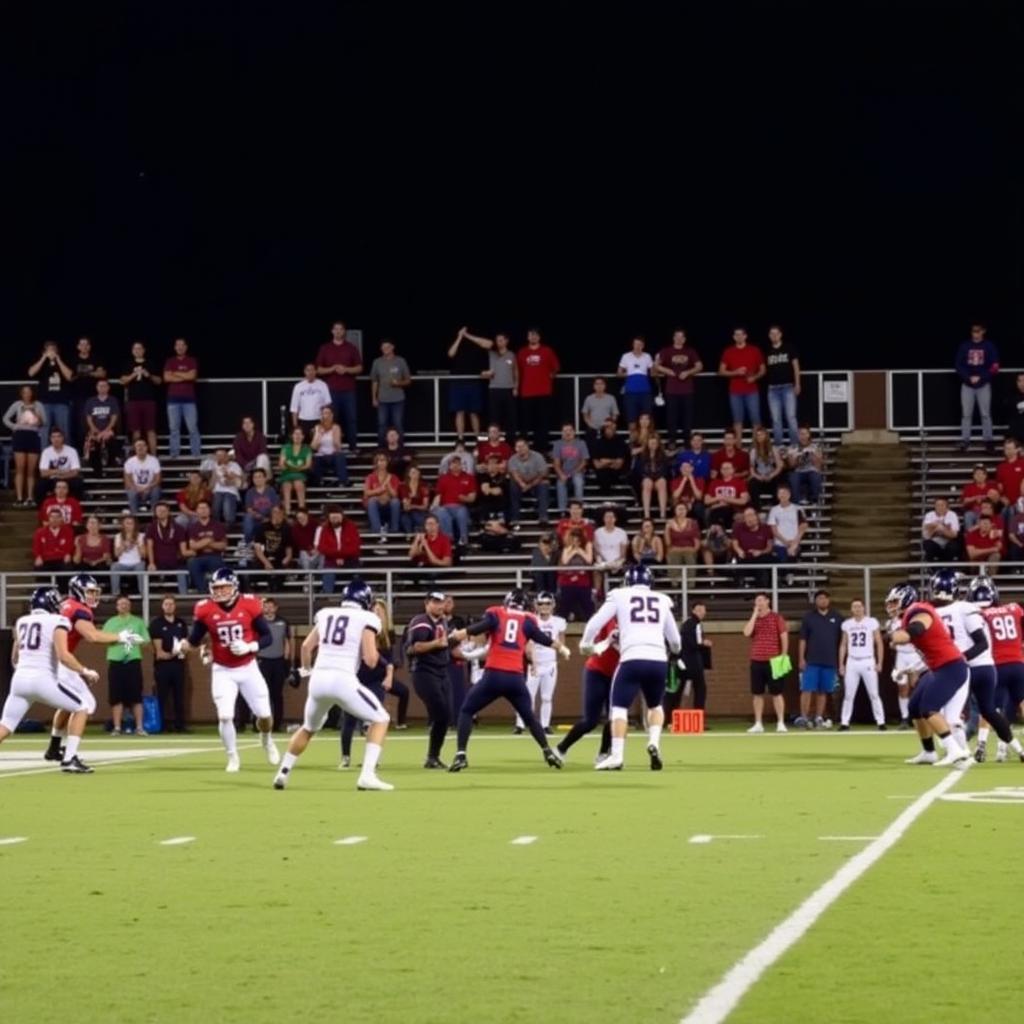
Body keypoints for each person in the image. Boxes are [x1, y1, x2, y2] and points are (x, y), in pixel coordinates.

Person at [448, 589, 568, 772]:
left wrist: (459, 634)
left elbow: (480, 627)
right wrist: (561, 648)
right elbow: (543, 638)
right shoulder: (528, 620)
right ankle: (547, 751)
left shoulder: (497, 613)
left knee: (466, 710)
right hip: (515, 678)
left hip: (493, 676)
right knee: (529, 717)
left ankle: (461, 754)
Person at [579, 564, 681, 771]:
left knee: (618, 708)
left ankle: (617, 755)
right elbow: (676, 641)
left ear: (627, 581)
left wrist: (586, 644)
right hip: (657, 659)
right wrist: (672, 653)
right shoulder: (662, 600)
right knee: (656, 706)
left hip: (632, 658)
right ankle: (654, 742)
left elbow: (594, 623)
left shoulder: (619, 595)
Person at [178, 568, 280, 772]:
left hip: (248, 667)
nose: (220, 591)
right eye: (217, 587)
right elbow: (195, 639)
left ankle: (266, 739)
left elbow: (267, 637)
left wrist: (250, 646)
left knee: (265, 716)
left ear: (234, 586)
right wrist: (186, 646)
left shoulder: (250, 603)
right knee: (225, 715)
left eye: (224, 587)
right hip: (223, 670)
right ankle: (232, 757)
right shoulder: (205, 609)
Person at [43, 573, 144, 763]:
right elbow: (92, 636)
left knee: (69, 703)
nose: (92, 596)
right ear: (77, 591)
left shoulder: (65, 605)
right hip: (60, 661)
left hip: (52, 660)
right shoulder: (79, 610)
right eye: (89, 591)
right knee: (85, 704)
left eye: (93, 592)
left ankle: (54, 748)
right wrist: (120, 637)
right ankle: (70, 756)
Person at [0, 587, 101, 774]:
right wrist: (85, 670)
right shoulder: (58, 620)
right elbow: (63, 656)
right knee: (82, 707)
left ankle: (61, 752)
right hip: (42, 680)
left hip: (19, 680)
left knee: (5, 725)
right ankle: (70, 758)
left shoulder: (22, 621)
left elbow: (15, 657)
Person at [929, 570, 1020, 764]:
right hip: (986, 666)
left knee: (949, 712)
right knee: (988, 710)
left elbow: (981, 642)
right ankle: (1018, 749)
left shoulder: (943, 611)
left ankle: (960, 751)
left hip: (966, 667)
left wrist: (961, 657)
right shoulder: (963, 608)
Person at [885, 582, 970, 767]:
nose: (891, 605)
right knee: (915, 707)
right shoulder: (910, 615)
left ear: (906, 599)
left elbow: (917, 629)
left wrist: (894, 636)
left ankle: (954, 750)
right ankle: (929, 752)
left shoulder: (918, 610)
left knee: (929, 708)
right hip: (938, 668)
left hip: (951, 666)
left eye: (894, 601)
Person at [339, 598, 411, 766]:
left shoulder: (388, 633)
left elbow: (389, 659)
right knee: (349, 718)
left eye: (380, 611)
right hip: (357, 678)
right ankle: (345, 757)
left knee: (375, 716)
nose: (376, 614)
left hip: (377, 679)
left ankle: (371, 758)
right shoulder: (361, 629)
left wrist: (389, 675)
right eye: (374, 611)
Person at [973, 578, 1024, 762]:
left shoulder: (980, 615)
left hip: (996, 665)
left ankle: (981, 745)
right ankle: (1002, 748)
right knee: (1021, 702)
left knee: (990, 708)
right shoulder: (1015, 608)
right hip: (1018, 663)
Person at [407, 591, 453, 768]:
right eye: (435, 602)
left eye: (441, 602)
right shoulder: (421, 622)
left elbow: (445, 644)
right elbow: (414, 647)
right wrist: (436, 643)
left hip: (441, 671)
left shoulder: (441, 621)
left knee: (445, 715)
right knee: (440, 714)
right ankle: (432, 756)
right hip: (424, 671)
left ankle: (433, 756)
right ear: (427, 603)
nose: (439, 606)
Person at [513, 592, 566, 735]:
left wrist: (559, 657)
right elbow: (527, 643)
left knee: (547, 697)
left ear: (553, 605)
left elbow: (561, 642)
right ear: (536, 605)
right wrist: (531, 660)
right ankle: (520, 724)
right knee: (527, 695)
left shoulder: (559, 622)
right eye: (541, 603)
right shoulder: (531, 619)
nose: (544, 606)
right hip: (534, 662)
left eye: (548, 603)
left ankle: (545, 725)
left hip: (550, 663)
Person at [459, 329, 519, 440]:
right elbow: (482, 343)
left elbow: (515, 371)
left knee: (511, 417)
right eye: (497, 340)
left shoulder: (511, 355)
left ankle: (511, 442)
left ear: (506, 341)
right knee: (495, 418)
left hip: (509, 389)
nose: (499, 342)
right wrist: (467, 335)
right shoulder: (492, 353)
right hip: (494, 389)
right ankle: (494, 441)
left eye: (501, 340)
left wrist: (516, 386)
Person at [104, 594, 151, 735]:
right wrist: (118, 638)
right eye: (121, 604)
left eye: (126, 603)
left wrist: (134, 639)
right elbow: (102, 638)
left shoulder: (138, 622)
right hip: (116, 662)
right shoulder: (110, 622)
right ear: (117, 606)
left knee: (136, 696)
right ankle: (117, 727)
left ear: (130, 606)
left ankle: (139, 727)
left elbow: (146, 640)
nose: (124, 606)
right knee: (116, 696)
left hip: (132, 661)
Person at [795, 589, 842, 729]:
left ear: (829, 600)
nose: (823, 600)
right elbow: (803, 639)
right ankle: (804, 717)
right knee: (807, 689)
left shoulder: (837, 617)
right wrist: (801, 658)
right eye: (820, 598)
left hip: (830, 660)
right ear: (816, 601)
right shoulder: (809, 617)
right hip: (811, 660)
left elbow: (842, 641)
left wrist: (840, 661)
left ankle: (819, 717)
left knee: (823, 690)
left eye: (825, 598)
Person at [744, 592, 789, 733]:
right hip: (756, 660)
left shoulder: (776, 617)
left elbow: (783, 636)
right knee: (757, 693)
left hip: (774, 660)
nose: (759, 603)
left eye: (761, 600)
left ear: (767, 601)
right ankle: (758, 723)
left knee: (777, 692)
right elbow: (746, 633)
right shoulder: (754, 619)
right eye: (757, 600)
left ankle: (781, 722)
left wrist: (783, 655)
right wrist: (754, 615)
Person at [315, 321, 362, 454]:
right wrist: (333, 368)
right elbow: (318, 369)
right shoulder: (325, 348)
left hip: (348, 390)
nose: (338, 331)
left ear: (344, 331)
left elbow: (359, 368)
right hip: (331, 391)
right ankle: (332, 448)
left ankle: (353, 446)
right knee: (331, 419)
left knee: (351, 419)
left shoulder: (351, 347)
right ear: (332, 331)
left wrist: (346, 369)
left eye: (341, 329)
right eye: (336, 329)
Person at [838, 600, 885, 730]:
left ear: (864, 608)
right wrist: (841, 664)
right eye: (854, 606)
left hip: (868, 659)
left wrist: (879, 662)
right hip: (852, 660)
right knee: (848, 694)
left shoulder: (871, 622)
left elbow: (879, 643)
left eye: (859, 606)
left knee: (874, 693)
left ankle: (880, 721)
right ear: (851, 609)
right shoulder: (847, 624)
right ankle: (844, 722)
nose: (857, 609)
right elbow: (843, 644)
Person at [654, 329, 703, 450]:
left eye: (681, 337)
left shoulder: (690, 351)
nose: (679, 339)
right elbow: (656, 365)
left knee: (687, 417)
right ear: (673, 338)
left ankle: (687, 441)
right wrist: (667, 370)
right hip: (671, 390)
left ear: (684, 339)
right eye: (677, 336)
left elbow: (699, 366)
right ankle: (672, 440)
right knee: (671, 417)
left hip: (687, 390)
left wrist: (688, 372)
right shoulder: (666, 351)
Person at [955, 323, 999, 451]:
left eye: (978, 331)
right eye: (973, 331)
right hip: (967, 385)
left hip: (983, 384)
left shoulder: (989, 346)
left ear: (983, 331)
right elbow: (958, 365)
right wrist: (968, 377)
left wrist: (982, 377)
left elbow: (995, 366)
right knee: (966, 414)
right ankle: (965, 440)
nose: (975, 333)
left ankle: (988, 441)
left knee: (985, 414)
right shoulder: (965, 346)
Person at [149, 595, 190, 733]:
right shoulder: (156, 623)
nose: (169, 606)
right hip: (163, 666)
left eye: (171, 604)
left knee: (179, 695)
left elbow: (185, 645)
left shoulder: (181, 623)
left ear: (175, 606)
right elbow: (160, 653)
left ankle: (180, 725)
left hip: (178, 665)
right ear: (162, 606)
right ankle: (162, 725)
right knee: (162, 695)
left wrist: (182, 651)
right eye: (166, 604)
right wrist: (174, 652)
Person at [718, 327, 765, 443]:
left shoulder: (754, 350)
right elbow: (721, 371)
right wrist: (735, 372)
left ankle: (756, 447)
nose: (739, 337)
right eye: (736, 335)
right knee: (737, 420)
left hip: (752, 391)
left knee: (756, 420)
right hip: (735, 392)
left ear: (745, 336)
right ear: (733, 337)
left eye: (741, 334)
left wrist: (754, 377)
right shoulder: (728, 351)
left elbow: (763, 370)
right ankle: (738, 447)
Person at [517, 328, 560, 453]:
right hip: (526, 392)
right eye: (530, 335)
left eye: (535, 335)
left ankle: (541, 449)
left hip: (544, 392)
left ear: (539, 337)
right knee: (525, 423)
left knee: (542, 423)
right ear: (528, 338)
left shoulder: (547, 351)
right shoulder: (522, 352)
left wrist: (552, 374)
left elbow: (556, 367)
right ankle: (523, 449)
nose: (533, 337)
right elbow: (517, 371)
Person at [4, 385, 47, 506]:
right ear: (21, 394)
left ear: (32, 393)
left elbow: (44, 422)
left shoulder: (38, 405)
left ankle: (30, 497)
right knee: (20, 468)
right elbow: (5, 418)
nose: (27, 394)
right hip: (20, 436)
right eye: (24, 392)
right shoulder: (17, 405)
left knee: (31, 470)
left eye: (29, 392)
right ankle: (19, 498)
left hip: (33, 436)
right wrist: (15, 426)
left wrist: (36, 416)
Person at [119, 341, 162, 455]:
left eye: (140, 348)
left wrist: (149, 375)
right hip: (133, 401)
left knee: (151, 430)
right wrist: (134, 374)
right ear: (132, 351)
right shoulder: (128, 364)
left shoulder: (151, 363)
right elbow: (122, 381)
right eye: (135, 349)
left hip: (149, 401)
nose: (137, 351)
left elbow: (159, 381)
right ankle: (137, 456)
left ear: (144, 350)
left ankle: (153, 456)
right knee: (135, 431)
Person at [256, 597, 292, 733]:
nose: (268, 609)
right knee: (261, 693)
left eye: (271, 606)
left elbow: (288, 641)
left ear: (276, 608)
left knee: (277, 694)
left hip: (278, 661)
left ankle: (277, 724)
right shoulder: (258, 622)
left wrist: (287, 660)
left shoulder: (283, 622)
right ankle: (260, 724)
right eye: (266, 606)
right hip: (262, 660)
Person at [27, 341, 73, 442]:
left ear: (57, 351)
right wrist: (43, 358)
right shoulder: (42, 363)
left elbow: (69, 376)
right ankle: (45, 455)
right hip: (44, 403)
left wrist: (58, 359)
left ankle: (66, 455)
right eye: (49, 349)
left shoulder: (63, 361)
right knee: (44, 431)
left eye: (53, 349)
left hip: (61, 402)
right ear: (44, 351)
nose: (51, 351)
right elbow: (31, 373)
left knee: (64, 431)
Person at [446, 326, 487, 441]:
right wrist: (460, 337)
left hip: (474, 382)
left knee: (474, 412)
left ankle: (478, 439)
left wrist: (468, 336)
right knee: (459, 412)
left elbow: (488, 344)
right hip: (458, 382)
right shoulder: (456, 341)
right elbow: (451, 354)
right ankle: (460, 439)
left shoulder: (476, 341)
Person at [370, 337, 412, 445]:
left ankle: (400, 449)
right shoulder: (377, 362)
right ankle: (382, 450)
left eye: (388, 347)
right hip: (382, 399)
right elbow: (374, 381)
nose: (385, 349)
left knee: (398, 424)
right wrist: (374, 398)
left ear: (393, 347)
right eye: (383, 347)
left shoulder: (400, 361)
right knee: (382, 424)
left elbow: (408, 380)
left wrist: (398, 383)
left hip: (398, 399)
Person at [163, 337, 201, 458]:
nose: (179, 347)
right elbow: (166, 378)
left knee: (192, 428)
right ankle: (174, 454)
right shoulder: (170, 361)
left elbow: (192, 376)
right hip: (173, 400)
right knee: (174, 428)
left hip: (189, 400)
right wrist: (185, 375)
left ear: (186, 347)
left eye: (182, 345)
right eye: (177, 345)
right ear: (175, 347)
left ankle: (196, 453)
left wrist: (175, 373)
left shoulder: (191, 360)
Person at [764, 325, 801, 448]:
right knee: (776, 419)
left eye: (776, 333)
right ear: (769, 336)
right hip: (772, 389)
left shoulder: (789, 348)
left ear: (780, 334)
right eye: (771, 334)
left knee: (791, 417)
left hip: (788, 387)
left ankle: (794, 445)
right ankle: (779, 446)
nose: (774, 336)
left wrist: (798, 383)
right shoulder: (767, 351)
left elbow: (796, 367)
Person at [673, 602, 712, 714]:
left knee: (678, 690)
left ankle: (670, 717)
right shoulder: (695, 624)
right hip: (692, 662)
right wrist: (704, 643)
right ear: (693, 611)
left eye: (703, 610)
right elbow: (696, 643)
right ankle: (698, 717)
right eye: (699, 610)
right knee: (700, 690)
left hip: (684, 661)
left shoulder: (688, 624)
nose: (702, 612)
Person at [314, 505, 362, 593]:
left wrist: (342, 557)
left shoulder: (351, 527)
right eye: (333, 517)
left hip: (350, 560)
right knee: (328, 572)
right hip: (331, 560)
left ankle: (356, 595)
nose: (335, 520)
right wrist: (337, 557)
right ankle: (327, 595)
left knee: (357, 573)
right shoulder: (324, 528)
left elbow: (355, 547)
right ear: (329, 518)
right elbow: (322, 547)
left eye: (337, 517)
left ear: (342, 516)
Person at [432, 454, 476, 548]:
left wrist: (464, 498)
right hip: (445, 507)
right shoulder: (443, 478)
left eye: (458, 463)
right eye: (453, 463)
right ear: (449, 465)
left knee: (462, 512)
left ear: (461, 465)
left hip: (460, 507)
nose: (455, 465)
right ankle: (449, 540)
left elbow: (472, 497)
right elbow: (438, 496)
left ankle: (464, 539)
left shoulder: (469, 477)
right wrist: (433, 507)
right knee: (441, 512)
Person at [70, 337, 107, 448]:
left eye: (86, 344)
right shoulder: (73, 360)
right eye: (81, 344)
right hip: (78, 397)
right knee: (80, 425)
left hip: (94, 397)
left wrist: (82, 373)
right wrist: (92, 372)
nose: (84, 347)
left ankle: (94, 449)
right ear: (78, 347)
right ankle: (80, 451)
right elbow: (70, 377)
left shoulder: (96, 359)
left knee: (94, 423)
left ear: (89, 347)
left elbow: (102, 374)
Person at [184, 500, 228, 592]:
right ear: (196, 511)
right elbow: (193, 546)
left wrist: (202, 543)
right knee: (192, 564)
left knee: (219, 567)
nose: (203, 510)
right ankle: (202, 592)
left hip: (215, 556)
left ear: (210, 510)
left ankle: (217, 592)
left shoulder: (218, 525)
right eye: (200, 508)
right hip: (198, 556)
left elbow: (223, 545)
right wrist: (208, 540)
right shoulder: (193, 527)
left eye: (205, 508)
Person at [145, 502, 188, 595]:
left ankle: (184, 596)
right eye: (159, 511)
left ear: (168, 512)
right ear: (155, 513)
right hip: (158, 561)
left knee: (182, 571)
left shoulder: (178, 528)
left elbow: (183, 546)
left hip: (175, 561)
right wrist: (151, 562)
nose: (161, 512)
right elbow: (149, 546)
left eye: (164, 510)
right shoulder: (151, 527)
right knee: (148, 569)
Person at [81, 378, 121, 476]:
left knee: (109, 440)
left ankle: (112, 467)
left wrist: (105, 431)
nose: (102, 388)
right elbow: (89, 418)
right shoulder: (91, 401)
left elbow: (114, 418)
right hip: (94, 431)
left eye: (104, 386)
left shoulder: (112, 400)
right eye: (100, 386)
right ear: (96, 388)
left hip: (108, 430)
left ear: (108, 388)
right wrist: (96, 431)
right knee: (92, 443)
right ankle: (97, 473)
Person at [508, 438, 551, 527]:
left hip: (536, 481)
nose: (520, 449)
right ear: (515, 448)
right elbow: (514, 474)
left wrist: (530, 485)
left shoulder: (538, 456)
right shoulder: (512, 459)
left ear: (527, 446)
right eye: (518, 447)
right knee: (512, 485)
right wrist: (522, 483)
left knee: (544, 484)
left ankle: (543, 517)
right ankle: (515, 518)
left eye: (522, 446)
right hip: (521, 483)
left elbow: (542, 474)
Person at [557, 526, 595, 622]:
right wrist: (573, 551)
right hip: (568, 578)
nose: (576, 542)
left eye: (578, 540)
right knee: (564, 604)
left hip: (583, 578)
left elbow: (589, 560)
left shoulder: (587, 545)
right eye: (574, 539)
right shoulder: (567, 548)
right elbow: (565, 561)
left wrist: (580, 551)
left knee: (587, 605)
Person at [731, 506, 774, 588]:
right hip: (744, 557)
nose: (749, 519)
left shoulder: (766, 528)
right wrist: (739, 551)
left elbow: (769, 547)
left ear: (756, 516)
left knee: (763, 566)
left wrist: (760, 552)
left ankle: (762, 593)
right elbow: (735, 543)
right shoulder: (738, 527)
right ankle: (741, 590)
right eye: (746, 516)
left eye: (751, 515)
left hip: (760, 558)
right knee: (737, 566)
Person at [37, 427, 84, 502]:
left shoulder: (72, 451)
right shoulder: (46, 452)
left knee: (78, 482)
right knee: (40, 484)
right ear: (50, 439)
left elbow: (75, 471)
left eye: (59, 436)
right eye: (53, 437)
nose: (56, 439)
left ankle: (75, 506)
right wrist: (59, 472)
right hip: (52, 479)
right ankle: (42, 508)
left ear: (63, 438)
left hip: (67, 478)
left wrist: (60, 476)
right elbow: (43, 473)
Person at [551, 422, 589, 513]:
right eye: (565, 431)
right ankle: (562, 511)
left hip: (577, 471)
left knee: (578, 482)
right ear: (562, 433)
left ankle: (579, 509)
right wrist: (561, 474)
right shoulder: (557, 444)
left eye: (570, 430)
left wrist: (574, 472)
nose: (568, 433)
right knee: (560, 483)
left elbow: (584, 461)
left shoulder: (581, 443)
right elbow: (556, 463)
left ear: (574, 432)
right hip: (563, 472)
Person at [617, 335, 654, 428]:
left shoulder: (647, 356)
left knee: (646, 419)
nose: (638, 347)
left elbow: (653, 373)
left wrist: (656, 364)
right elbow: (619, 373)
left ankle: (645, 441)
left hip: (645, 392)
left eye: (640, 345)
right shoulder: (626, 356)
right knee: (631, 419)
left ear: (643, 346)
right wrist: (631, 373)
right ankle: (633, 442)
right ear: (632, 345)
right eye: (636, 344)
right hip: (630, 393)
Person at [362, 452, 402, 540]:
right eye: (379, 460)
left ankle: (394, 530)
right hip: (376, 505)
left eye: (383, 460)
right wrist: (379, 491)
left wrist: (389, 488)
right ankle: (377, 531)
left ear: (387, 462)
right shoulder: (370, 477)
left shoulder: (394, 477)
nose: (382, 462)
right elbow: (366, 493)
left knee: (395, 501)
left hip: (389, 505)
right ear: (376, 463)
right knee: (372, 501)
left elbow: (395, 495)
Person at [290, 363, 332, 441]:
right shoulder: (298, 387)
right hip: (303, 421)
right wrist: (295, 426)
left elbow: (327, 404)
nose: (310, 372)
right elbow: (294, 408)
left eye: (312, 370)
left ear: (316, 371)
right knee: (305, 446)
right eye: (308, 370)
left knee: (317, 446)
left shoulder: (323, 385)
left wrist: (325, 423)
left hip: (318, 420)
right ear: (304, 372)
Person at [309, 406, 349, 487]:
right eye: (324, 413)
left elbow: (338, 447)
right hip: (321, 456)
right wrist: (319, 434)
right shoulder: (317, 428)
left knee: (340, 456)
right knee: (315, 459)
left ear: (331, 416)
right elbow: (313, 447)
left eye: (328, 413)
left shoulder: (336, 427)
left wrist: (334, 436)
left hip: (333, 455)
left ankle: (343, 481)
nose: (326, 416)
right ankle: (317, 482)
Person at [766, 485, 807, 564]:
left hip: (795, 542)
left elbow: (803, 526)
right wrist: (785, 542)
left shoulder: (798, 509)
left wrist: (795, 542)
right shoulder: (774, 510)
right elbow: (774, 530)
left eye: (784, 493)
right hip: (779, 543)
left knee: (792, 555)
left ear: (789, 494)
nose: (782, 495)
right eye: (780, 493)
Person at [252, 504, 293, 581]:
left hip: (279, 560)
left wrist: (286, 559)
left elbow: (289, 550)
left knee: (279, 576)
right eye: (275, 512)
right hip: (264, 558)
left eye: (279, 512)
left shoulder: (287, 529)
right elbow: (258, 549)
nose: (277, 515)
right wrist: (266, 562)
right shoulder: (262, 527)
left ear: (283, 514)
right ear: (271, 514)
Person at [705, 461, 750, 530]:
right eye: (723, 468)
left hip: (732, 510)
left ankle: (717, 532)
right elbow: (706, 500)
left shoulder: (740, 482)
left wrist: (724, 499)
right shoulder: (714, 482)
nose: (725, 470)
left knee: (722, 512)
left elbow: (743, 501)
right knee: (713, 512)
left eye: (728, 468)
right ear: (720, 470)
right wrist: (719, 498)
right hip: (716, 510)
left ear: (733, 470)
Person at [278, 427, 312, 516]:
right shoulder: (285, 448)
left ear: (303, 436)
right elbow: (281, 464)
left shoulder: (307, 448)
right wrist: (291, 467)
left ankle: (302, 510)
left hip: (300, 473)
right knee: (286, 485)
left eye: (299, 434)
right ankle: (287, 512)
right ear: (292, 436)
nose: (297, 436)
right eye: (295, 434)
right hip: (287, 474)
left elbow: (308, 464)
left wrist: (296, 468)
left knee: (298, 484)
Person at [123, 438, 162, 515]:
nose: (140, 448)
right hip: (135, 488)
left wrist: (148, 487)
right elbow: (127, 481)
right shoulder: (129, 462)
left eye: (143, 445)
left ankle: (154, 516)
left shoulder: (154, 460)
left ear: (147, 447)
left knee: (156, 491)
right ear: (135, 448)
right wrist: (136, 488)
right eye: (138, 445)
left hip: (150, 488)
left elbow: (158, 479)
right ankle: (134, 517)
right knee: (132, 493)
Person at [786, 426, 824, 505]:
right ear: (798, 436)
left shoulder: (815, 447)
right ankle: (796, 502)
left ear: (808, 435)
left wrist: (813, 455)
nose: (803, 436)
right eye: (800, 434)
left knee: (815, 476)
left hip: (812, 471)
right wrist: (798, 458)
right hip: (797, 472)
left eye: (805, 434)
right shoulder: (792, 448)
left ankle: (814, 500)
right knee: (793, 477)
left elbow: (819, 467)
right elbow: (791, 466)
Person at [748, 425, 784, 507]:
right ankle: (757, 508)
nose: (759, 437)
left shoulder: (773, 449)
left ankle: (776, 506)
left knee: (778, 482)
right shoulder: (753, 451)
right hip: (759, 477)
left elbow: (779, 466)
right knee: (752, 483)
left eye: (761, 434)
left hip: (771, 476)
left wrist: (771, 475)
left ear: (766, 436)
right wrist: (758, 477)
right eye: (757, 435)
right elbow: (751, 469)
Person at [242, 468, 279, 546]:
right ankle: (249, 542)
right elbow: (249, 509)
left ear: (265, 478)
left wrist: (269, 518)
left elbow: (275, 507)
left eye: (259, 477)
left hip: (269, 519)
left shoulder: (271, 491)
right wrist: (259, 516)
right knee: (248, 517)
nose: (257, 479)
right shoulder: (250, 492)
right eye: (255, 477)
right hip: (256, 519)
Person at [589, 418, 629, 492]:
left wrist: (606, 461)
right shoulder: (597, 443)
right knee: (603, 476)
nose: (609, 429)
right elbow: (597, 465)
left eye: (611, 426)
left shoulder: (620, 442)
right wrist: (613, 461)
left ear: (615, 427)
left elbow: (619, 465)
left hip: (615, 471)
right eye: (607, 427)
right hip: (602, 472)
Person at [110, 514, 146, 596]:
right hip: (122, 563)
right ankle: (115, 593)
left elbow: (144, 555)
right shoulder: (118, 536)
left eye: (131, 523)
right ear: (123, 525)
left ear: (135, 525)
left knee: (141, 566)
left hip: (137, 562)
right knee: (114, 566)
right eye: (127, 523)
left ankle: (143, 593)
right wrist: (123, 546)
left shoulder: (141, 536)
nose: (129, 526)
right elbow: (116, 555)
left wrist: (137, 543)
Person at [637, 433, 669, 520]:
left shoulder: (663, 456)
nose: (653, 445)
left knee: (662, 482)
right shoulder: (641, 456)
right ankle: (647, 514)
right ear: (647, 444)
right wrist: (650, 477)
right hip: (647, 478)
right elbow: (640, 470)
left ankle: (663, 513)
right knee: (647, 483)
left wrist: (656, 477)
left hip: (658, 478)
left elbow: (665, 470)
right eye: (651, 443)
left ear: (658, 444)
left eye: (655, 443)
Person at [32, 507, 74, 572]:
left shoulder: (68, 531)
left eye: (57, 517)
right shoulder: (40, 532)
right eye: (52, 517)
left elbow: (70, 545)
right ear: (48, 518)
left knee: (68, 567)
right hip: (46, 560)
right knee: (38, 568)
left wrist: (68, 553)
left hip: (61, 559)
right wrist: (38, 556)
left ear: (61, 519)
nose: (55, 519)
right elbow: (36, 547)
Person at [209, 448, 244, 525]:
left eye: (222, 455)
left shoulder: (235, 465)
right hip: (218, 491)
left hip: (231, 491)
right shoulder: (214, 466)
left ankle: (229, 525)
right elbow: (212, 481)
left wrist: (229, 477)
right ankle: (216, 527)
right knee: (216, 506)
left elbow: (239, 481)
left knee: (227, 505)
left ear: (227, 456)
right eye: (218, 455)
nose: (220, 457)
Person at [921, 496, 960, 563]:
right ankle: (932, 569)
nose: (940, 507)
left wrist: (940, 529)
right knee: (927, 544)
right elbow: (926, 536)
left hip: (948, 543)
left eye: (942, 505)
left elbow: (954, 535)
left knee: (954, 545)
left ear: (947, 507)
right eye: (937, 505)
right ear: (935, 506)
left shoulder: (952, 515)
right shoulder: (929, 515)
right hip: (934, 544)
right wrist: (939, 528)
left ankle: (947, 568)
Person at [664, 501, 702, 568]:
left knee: (689, 556)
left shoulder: (693, 523)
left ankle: (690, 578)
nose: (681, 511)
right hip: (675, 550)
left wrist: (693, 550)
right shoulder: (670, 523)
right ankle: (675, 578)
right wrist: (667, 529)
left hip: (689, 550)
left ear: (687, 511)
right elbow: (668, 544)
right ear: (675, 511)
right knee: (674, 556)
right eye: (679, 509)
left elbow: (697, 544)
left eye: (683, 509)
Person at [399, 464, 432, 534]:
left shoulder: (424, 486)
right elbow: (406, 507)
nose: (415, 475)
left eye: (416, 472)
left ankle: (418, 530)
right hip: (407, 512)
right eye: (413, 473)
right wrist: (410, 498)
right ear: (409, 475)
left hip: (420, 512)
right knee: (405, 519)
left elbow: (425, 506)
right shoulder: (403, 486)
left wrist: (413, 506)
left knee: (416, 516)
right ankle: (411, 534)